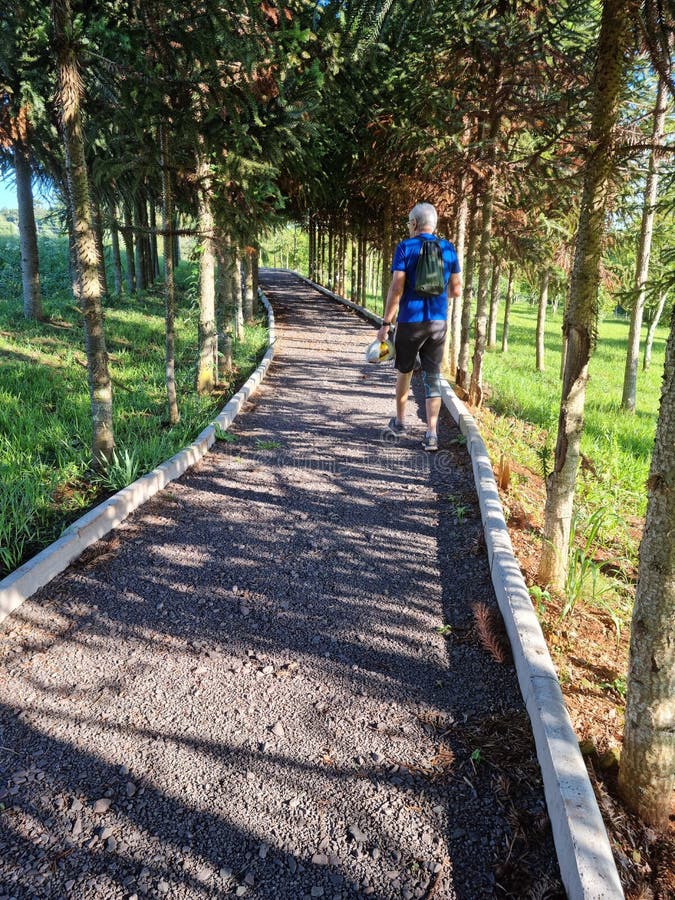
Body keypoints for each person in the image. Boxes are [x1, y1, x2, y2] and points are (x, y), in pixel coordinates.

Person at [376, 202, 462, 451]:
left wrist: (386, 323)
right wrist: (436, 293)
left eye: (408, 223)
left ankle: (401, 422)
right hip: (438, 323)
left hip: (410, 322)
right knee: (433, 377)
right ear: (433, 224)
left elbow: (396, 288)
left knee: (404, 371)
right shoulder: (448, 249)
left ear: (414, 224)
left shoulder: (405, 247)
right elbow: (456, 290)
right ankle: (432, 434)